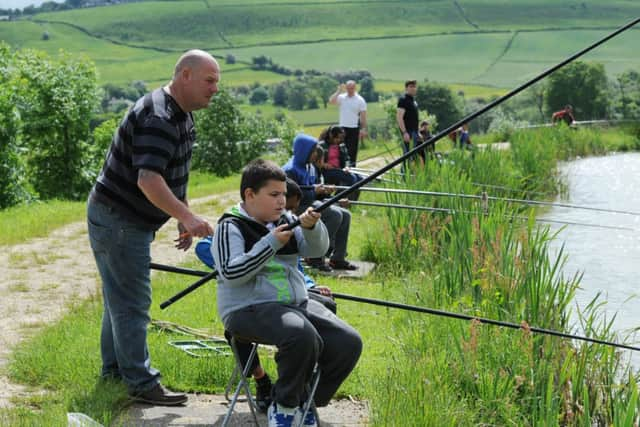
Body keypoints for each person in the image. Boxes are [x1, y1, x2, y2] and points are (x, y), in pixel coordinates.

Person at [86, 49, 220, 406]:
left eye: (217, 82)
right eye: (209, 80)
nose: (215, 89)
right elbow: (148, 180)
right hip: (118, 219)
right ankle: (141, 384)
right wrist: (191, 219)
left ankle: (114, 372)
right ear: (185, 76)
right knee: (132, 301)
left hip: (121, 217)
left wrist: (181, 214)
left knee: (119, 297)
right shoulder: (158, 116)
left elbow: (174, 173)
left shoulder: (182, 115)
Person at [213, 159, 362, 427]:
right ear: (250, 195)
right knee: (300, 334)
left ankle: (303, 403)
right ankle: (284, 407)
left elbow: (316, 252)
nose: (282, 201)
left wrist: (311, 228)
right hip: (247, 309)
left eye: (283, 194)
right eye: (274, 195)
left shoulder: (288, 220)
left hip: (294, 304)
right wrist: (270, 243)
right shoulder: (230, 226)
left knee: (348, 342)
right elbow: (231, 274)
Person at [283, 134, 358, 272]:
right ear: (303, 151)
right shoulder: (290, 170)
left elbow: (313, 192)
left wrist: (332, 197)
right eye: (312, 152)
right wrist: (315, 190)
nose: (315, 155)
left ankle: (338, 258)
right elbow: (292, 197)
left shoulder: (308, 167)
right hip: (296, 208)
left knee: (345, 214)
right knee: (334, 215)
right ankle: (315, 256)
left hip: (311, 203)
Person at [328, 80, 368, 166]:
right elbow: (331, 101)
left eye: (352, 88)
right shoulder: (341, 97)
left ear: (355, 88)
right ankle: (341, 169)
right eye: (348, 88)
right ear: (346, 88)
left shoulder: (360, 100)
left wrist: (364, 128)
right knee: (340, 150)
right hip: (342, 129)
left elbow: (363, 116)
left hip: (354, 128)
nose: (350, 90)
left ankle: (352, 170)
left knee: (352, 151)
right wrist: (338, 91)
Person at [318, 125, 363, 198]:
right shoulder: (322, 145)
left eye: (341, 138)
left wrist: (347, 167)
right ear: (331, 135)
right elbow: (317, 161)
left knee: (360, 179)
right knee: (352, 178)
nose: (340, 140)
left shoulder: (342, 146)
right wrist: (325, 165)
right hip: (328, 171)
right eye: (338, 137)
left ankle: (351, 201)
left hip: (340, 170)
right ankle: (336, 199)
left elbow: (347, 159)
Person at [396, 80, 421, 166]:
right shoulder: (403, 100)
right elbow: (399, 118)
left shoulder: (414, 101)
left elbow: (415, 119)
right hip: (408, 132)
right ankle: (404, 177)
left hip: (414, 132)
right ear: (406, 88)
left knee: (413, 157)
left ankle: (412, 176)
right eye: (411, 87)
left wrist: (418, 132)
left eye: (414, 86)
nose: (413, 88)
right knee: (407, 157)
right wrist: (404, 132)